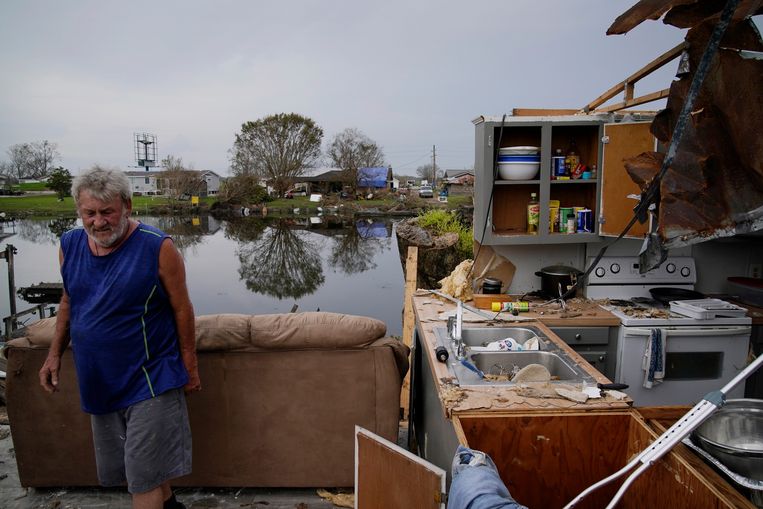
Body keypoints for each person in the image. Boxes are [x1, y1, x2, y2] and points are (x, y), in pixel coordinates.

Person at [38, 166, 201, 509]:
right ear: (79, 211)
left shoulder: (158, 247)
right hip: (98, 379)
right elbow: (69, 300)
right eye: (89, 213)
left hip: (150, 377)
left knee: (141, 478)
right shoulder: (69, 245)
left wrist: (190, 366)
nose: (98, 222)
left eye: (107, 212)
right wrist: (54, 355)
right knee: (143, 471)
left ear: (127, 205)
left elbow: (182, 309)